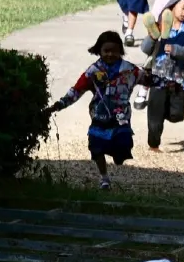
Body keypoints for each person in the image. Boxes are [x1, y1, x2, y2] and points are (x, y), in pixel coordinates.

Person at [46, 31, 157, 190]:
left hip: (121, 118)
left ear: (120, 50)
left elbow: (149, 79)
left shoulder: (130, 70)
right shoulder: (92, 72)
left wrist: (169, 82)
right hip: (99, 116)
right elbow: (76, 91)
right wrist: (59, 105)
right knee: (96, 147)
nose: (110, 54)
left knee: (122, 149)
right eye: (106, 51)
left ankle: (118, 156)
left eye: (114, 50)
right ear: (99, 51)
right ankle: (104, 178)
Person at [137, 0, 184, 151]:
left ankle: (161, 113)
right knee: (155, 113)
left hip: (179, 79)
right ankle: (154, 144)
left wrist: (175, 49)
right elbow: (145, 49)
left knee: (176, 115)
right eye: (183, 8)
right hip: (159, 76)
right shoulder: (160, 26)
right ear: (171, 8)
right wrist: (152, 36)